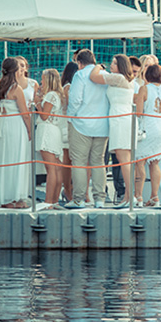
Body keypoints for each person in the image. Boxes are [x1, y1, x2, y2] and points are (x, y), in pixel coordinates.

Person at [66, 49, 110, 209]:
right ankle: (100, 199)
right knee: (98, 162)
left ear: (79, 62)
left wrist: (70, 117)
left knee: (79, 162)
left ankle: (78, 199)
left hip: (81, 124)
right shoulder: (104, 74)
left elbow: (76, 99)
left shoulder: (80, 75)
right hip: (102, 124)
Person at [90, 55, 136, 207]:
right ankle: (129, 197)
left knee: (125, 160)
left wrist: (98, 66)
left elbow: (94, 77)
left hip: (120, 119)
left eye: (115, 63)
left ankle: (129, 197)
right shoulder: (125, 79)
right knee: (125, 160)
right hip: (120, 118)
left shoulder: (118, 78)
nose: (111, 65)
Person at [0, 58, 32, 208]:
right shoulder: (16, 88)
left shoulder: (0, 86)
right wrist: (29, 130)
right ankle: (15, 197)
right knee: (17, 159)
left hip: (3, 124)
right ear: (14, 70)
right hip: (15, 125)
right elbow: (25, 113)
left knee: (5, 160)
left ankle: (6, 197)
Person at [134, 64, 161, 207]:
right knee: (155, 162)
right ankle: (154, 197)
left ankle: (138, 196)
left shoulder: (144, 89)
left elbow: (139, 112)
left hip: (148, 126)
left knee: (140, 161)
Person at [34, 68, 65, 210]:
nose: (41, 81)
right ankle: (54, 200)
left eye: (42, 78)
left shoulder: (51, 95)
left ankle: (48, 201)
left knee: (51, 168)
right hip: (54, 131)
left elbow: (44, 115)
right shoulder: (57, 94)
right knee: (56, 168)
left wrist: (37, 103)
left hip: (47, 130)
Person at [59, 62, 79, 203]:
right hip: (67, 123)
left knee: (70, 159)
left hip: (70, 123)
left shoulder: (68, 87)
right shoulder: (69, 87)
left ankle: (69, 189)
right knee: (67, 159)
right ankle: (67, 190)